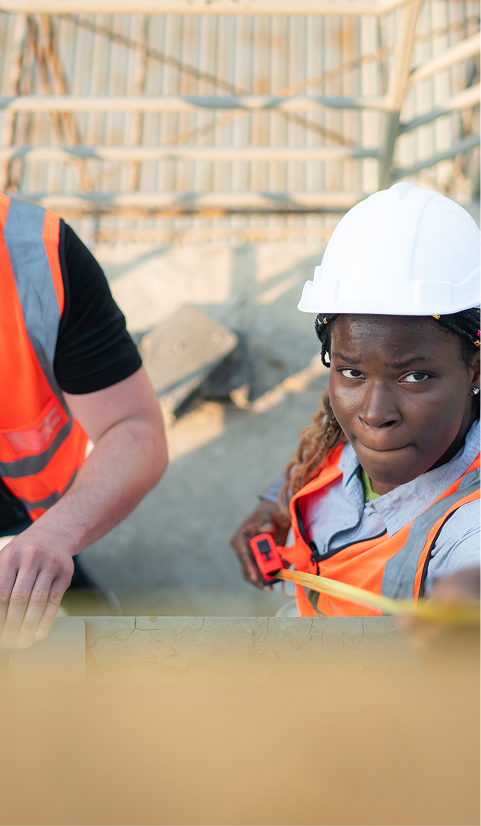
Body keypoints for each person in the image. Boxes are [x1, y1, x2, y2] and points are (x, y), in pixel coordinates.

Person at [231, 182, 480, 618]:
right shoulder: (343, 435)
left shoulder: (467, 529)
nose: (373, 413)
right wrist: (272, 507)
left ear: (475, 369)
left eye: (415, 376)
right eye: (352, 372)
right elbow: (324, 461)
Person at [0, 193, 168, 648]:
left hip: (37, 508)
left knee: (72, 622)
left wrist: (55, 534)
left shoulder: (38, 257)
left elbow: (134, 428)